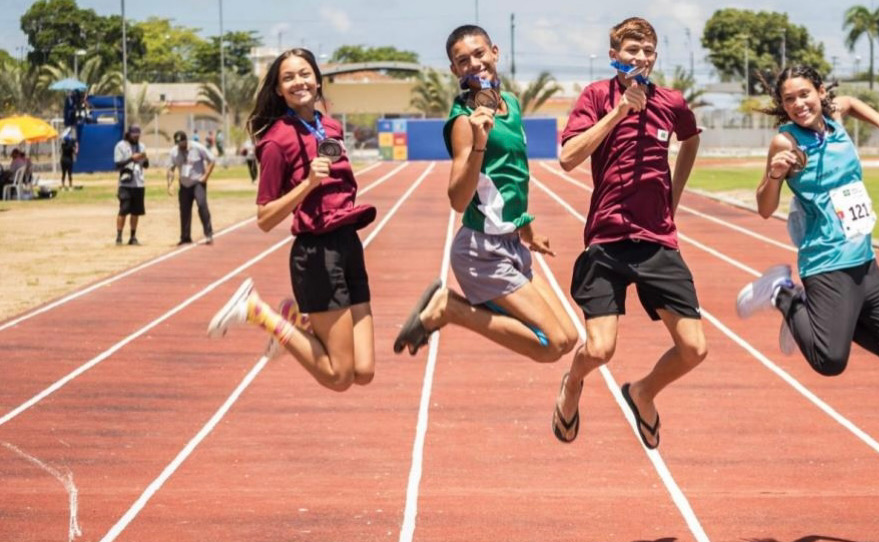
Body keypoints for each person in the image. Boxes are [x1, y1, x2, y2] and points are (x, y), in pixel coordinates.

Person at [553, 17, 705, 450]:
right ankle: (572, 382)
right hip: (608, 238)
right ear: (614, 56)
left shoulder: (671, 102)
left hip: (657, 240)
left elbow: (691, 139)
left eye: (648, 51)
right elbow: (567, 158)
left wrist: (673, 198)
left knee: (694, 349)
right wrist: (620, 112)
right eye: (632, 50)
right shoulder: (597, 96)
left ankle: (643, 392)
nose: (641, 57)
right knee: (599, 351)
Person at [393, 25, 577, 380]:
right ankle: (451, 309)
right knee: (551, 345)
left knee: (568, 338)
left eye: (479, 54)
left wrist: (528, 229)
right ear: (454, 71)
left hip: (511, 242)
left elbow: (511, 179)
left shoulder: (512, 105)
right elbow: (458, 200)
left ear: (495, 52)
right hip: (481, 251)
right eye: (463, 61)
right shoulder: (464, 121)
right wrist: (479, 141)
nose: (474, 64)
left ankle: (452, 308)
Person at [206, 48, 377, 392]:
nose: (299, 82)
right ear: (278, 90)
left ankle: (296, 321)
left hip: (348, 244)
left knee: (364, 370)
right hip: (316, 254)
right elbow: (265, 218)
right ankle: (261, 313)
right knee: (339, 377)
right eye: (288, 78)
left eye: (304, 73)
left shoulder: (331, 127)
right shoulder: (275, 141)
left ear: (317, 79)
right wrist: (308, 184)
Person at [735, 64, 879, 376]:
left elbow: (850, 102)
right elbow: (765, 208)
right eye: (789, 99)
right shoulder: (786, 142)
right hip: (826, 261)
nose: (798, 104)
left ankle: (818, 314)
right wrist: (775, 176)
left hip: (865, 260)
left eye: (804, 94)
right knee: (829, 361)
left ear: (820, 92)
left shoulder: (835, 117)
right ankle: (783, 293)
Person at [167, 130, 215, 245]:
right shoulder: (174, 152)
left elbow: (212, 160)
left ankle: (208, 234)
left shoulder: (197, 147)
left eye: (182, 143)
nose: (180, 146)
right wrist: (169, 184)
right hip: (184, 184)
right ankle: (185, 237)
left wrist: (205, 176)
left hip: (198, 182)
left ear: (186, 140)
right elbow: (171, 169)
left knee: (202, 206)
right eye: (178, 143)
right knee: (184, 210)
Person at [113, 125, 149, 245]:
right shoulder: (120, 146)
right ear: (128, 134)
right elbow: (118, 164)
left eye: (138, 135)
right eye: (134, 135)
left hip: (139, 183)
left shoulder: (142, 146)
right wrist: (131, 158)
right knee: (123, 210)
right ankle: (119, 237)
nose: (136, 137)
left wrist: (145, 159)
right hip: (125, 184)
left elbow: (145, 165)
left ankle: (133, 237)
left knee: (136, 211)